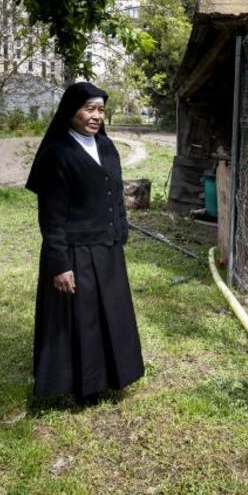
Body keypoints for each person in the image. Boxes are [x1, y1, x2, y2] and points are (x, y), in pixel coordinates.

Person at [25, 81, 144, 403]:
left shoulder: (106, 148)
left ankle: (113, 377)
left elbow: (114, 197)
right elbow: (51, 216)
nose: (96, 116)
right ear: (71, 111)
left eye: (101, 110)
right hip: (76, 252)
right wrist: (60, 265)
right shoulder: (58, 154)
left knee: (111, 315)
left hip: (108, 248)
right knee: (83, 321)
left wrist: (120, 233)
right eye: (89, 109)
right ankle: (83, 386)